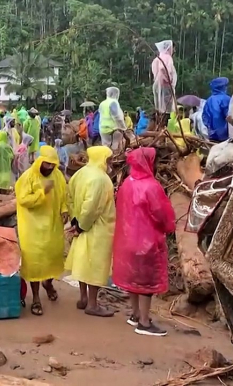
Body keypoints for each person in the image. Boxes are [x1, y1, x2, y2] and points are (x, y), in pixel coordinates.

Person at [113, 147, 176, 336]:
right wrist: (169, 227)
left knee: (134, 279)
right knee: (147, 284)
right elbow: (161, 214)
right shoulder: (151, 186)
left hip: (128, 239)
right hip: (147, 240)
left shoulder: (127, 183)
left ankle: (135, 314)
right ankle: (144, 322)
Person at [16, 146, 68, 316]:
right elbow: (23, 200)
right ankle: (36, 298)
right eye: (47, 164)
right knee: (35, 263)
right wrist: (42, 193)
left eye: (53, 165)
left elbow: (63, 194)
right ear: (39, 161)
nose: (50, 168)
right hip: (32, 227)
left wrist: (64, 209)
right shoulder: (28, 177)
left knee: (53, 257)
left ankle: (48, 283)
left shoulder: (58, 176)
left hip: (53, 225)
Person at [65, 146, 116, 318]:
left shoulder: (81, 173)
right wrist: (82, 225)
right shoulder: (100, 179)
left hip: (81, 224)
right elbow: (92, 207)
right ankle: (93, 304)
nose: (110, 162)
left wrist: (75, 221)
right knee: (95, 265)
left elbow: (69, 196)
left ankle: (83, 298)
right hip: (97, 227)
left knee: (83, 262)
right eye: (108, 159)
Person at [202, 77, 231, 142]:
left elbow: (204, 117)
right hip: (225, 135)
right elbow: (229, 116)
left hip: (212, 135)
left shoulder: (209, 100)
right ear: (223, 87)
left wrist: (210, 128)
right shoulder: (226, 99)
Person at [152, 40, 177, 114]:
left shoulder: (157, 59)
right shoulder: (167, 57)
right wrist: (168, 79)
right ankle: (165, 123)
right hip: (165, 86)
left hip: (157, 86)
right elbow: (163, 68)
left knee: (159, 108)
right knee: (167, 109)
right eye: (173, 48)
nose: (174, 51)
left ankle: (159, 122)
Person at [99, 87, 127, 151]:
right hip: (112, 129)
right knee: (115, 146)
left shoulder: (102, 103)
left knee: (105, 147)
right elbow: (117, 117)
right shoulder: (113, 102)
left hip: (102, 129)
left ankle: (105, 159)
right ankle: (115, 158)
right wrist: (123, 128)